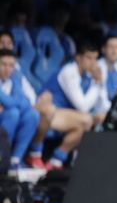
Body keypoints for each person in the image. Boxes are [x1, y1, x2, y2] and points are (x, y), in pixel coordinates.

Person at [33, 40, 109, 170]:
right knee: (85, 119)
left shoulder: (89, 76)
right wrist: (97, 84)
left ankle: (56, 160)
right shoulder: (69, 71)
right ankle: (35, 154)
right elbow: (82, 106)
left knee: (94, 119)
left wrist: (100, 83)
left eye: (95, 58)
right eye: (88, 58)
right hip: (46, 112)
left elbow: (104, 106)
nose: (93, 62)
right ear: (78, 58)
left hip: (64, 114)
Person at [0, 49, 40, 173]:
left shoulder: (16, 77)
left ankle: (15, 160)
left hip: (7, 114)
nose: (8, 69)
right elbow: (11, 102)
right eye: (3, 64)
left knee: (32, 115)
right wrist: (16, 101)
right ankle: (4, 157)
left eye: (11, 65)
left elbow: (28, 101)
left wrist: (13, 103)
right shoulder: (15, 79)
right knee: (13, 113)